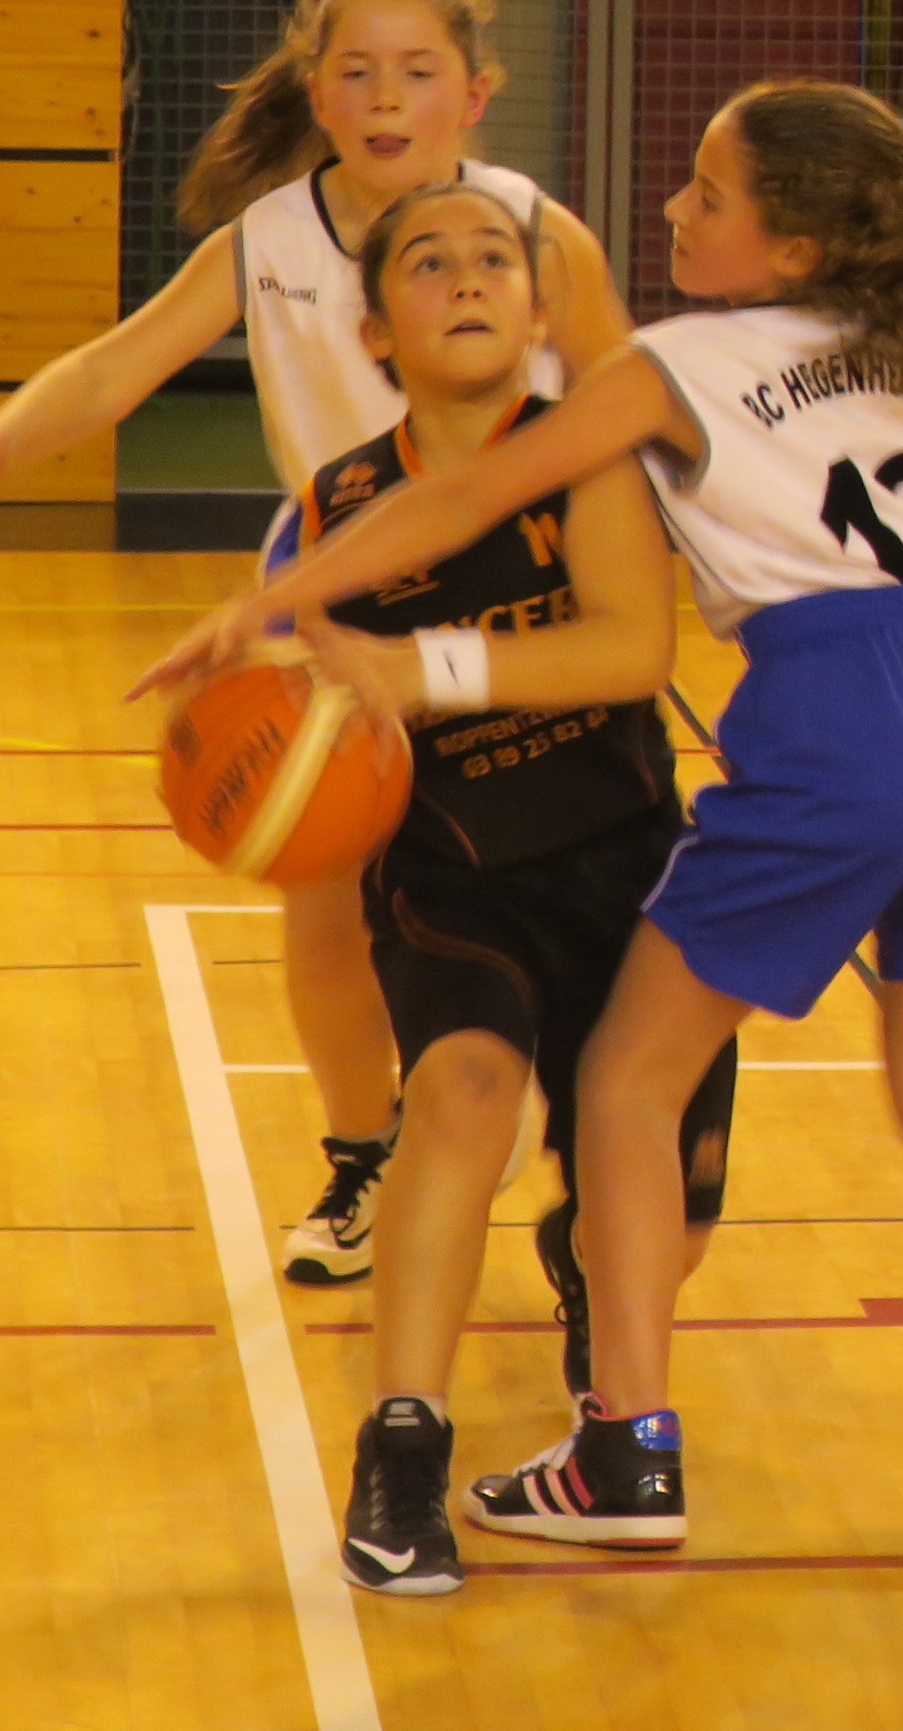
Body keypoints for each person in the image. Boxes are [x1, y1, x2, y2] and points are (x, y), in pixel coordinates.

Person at [144, 80, 903, 1548]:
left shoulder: (668, 367)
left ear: (791, 245)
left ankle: (623, 1452)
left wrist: (265, 602)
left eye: (707, 195)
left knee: (625, 1081)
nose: (672, 209)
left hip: (837, 719)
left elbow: (464, 500)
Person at [0, 0, 631, 1289]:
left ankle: (546, 1117)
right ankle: (367, 1153)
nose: (386, 96)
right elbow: (117, 363)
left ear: (476, 94)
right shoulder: (269, 242)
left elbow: (626, 394)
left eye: (417, 71)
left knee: (529, 868)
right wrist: (1, 441)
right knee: (324, 892)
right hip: (335, 587)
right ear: (317, 93)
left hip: (515, 587)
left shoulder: (532, 230)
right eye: (358, 72)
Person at [295, 181, 732, 1597]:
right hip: (454, 867)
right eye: (429, 264)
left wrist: (421, 674)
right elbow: (315, 705)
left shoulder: (588, 457)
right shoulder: (339, 505)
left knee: (669, 1205)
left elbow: (628, 651)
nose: (469, 278)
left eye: (496, 258)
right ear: (375, 329)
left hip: (625, 860)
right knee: (462, 1094)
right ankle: (401, 1445)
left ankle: (593, 1296)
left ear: (540, 311)